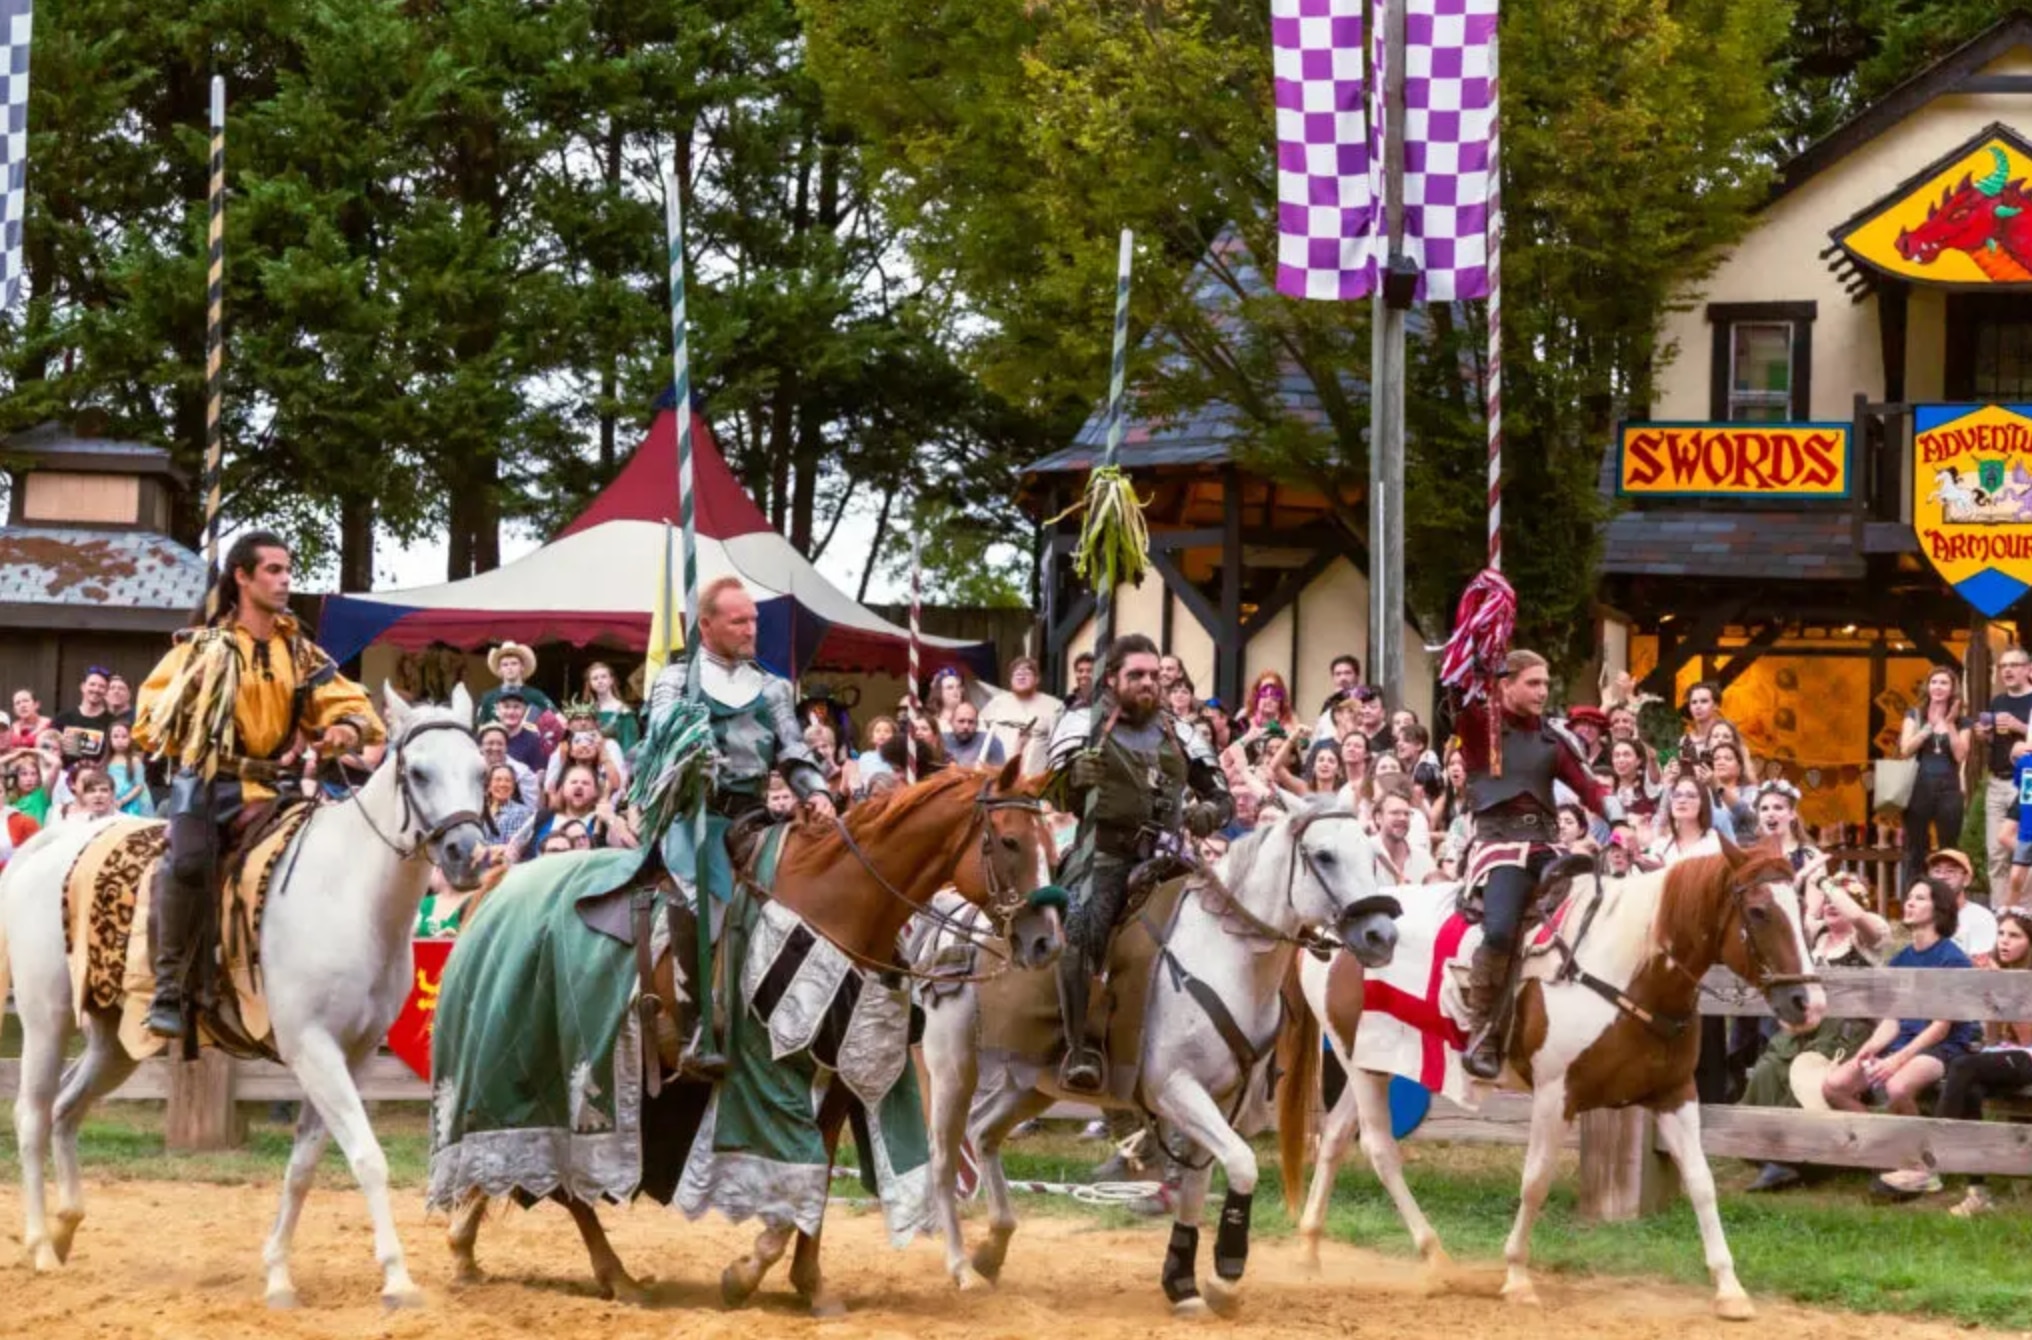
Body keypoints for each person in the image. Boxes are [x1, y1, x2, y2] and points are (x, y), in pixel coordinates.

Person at [131, 530, 384, 1037]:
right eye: (272, 569)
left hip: (278, 789)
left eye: (287, 569)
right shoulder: (200, 647)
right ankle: (171, 987)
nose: (285, 578)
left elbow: (355, 705)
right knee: (187, 863)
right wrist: (191, 695)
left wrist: (346, 728)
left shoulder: (300, 651)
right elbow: (148, 721)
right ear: (242, 577)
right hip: (208, 783)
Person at [644, 576, 834, 1064]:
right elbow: (660, 736)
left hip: (752, 816)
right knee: (699, 896)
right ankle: (695, 1027)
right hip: (694, 815)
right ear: (706, 625)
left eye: (754, 619)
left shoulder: (770, 687)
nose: (752, 628)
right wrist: (686, 744)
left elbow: (792, 750)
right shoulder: (675, 679)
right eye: (739, 620)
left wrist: (815, 792)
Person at [1047, 633, 1232, 1093]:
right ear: (1112, 678)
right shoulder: (1080, 725)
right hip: (1103, 855)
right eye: (1137, 675)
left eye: (1154, 675)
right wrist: (1074, 777)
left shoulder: (1179, 730)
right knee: (1081, 929)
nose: (1149, 682)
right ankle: (1080, 1048)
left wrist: (1211, 812)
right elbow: (1050, 789)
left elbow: (1222, 794)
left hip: (1172, 857)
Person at [1455, 648, 1608, 1079]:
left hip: (1547, 847)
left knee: (1589, 907)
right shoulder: (1479, 728)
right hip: (1499, 848)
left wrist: (1619, 821)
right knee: (1501, 930)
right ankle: (1482, 1031)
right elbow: (1458, 698)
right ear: (1507, 684)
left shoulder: (1553, 740)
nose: (1543, 691)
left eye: (1546, 683)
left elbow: (1589, 787)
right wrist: (1477, 658)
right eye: (1533, 683)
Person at [1740, 861, 1888, 1192]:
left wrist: (1827, 882)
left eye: (1843, 897)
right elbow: (1796, 915)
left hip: (1851, 1027)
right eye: (1828, 901)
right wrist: (1806, 881)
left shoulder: (1868, 936)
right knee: (1768, 1068)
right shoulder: (1817, 936)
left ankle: (1806, 1158)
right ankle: (1765, 1149)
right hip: (1811, 1021)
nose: (1832, 904)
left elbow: (1861, 920)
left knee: (1807, 1076)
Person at [1878, 907, 2032, 1212]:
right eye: (2001, 934)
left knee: (1962, 1066)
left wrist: (2002, 990)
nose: (2004, 941)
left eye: (2014, 936)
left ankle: (1929, 1163)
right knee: (1970, 1088)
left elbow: (2026, 1038)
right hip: (2007, 1054)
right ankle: (1978, 1193)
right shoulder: (1995, 970)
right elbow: (1993, 1038)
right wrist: (1988, 994)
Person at [1821, 880, 1978, 1117]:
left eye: (1920, 898)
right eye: (1909, 897)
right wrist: (1870, 1047)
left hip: (1941, 1048)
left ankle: (1918, 1151)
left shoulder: (1952, 959)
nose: (1910, 903)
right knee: (1834, 1086)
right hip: (1902, 1043)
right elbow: (1893, 1018)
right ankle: (1881, 1143)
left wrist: (1898, 1060)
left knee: (1897, 1087)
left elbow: (1941, 1028)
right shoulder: (1900, 960)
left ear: (1939, 908)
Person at [1900, 666, 1970, 891]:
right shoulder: (1915, 714)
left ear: (1952, 689)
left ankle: (1947, 902)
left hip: (1949, 788)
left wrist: (1949, 724)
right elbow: (1905, 750)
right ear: (1928, 687)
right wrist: (1929, 726)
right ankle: (1912, 902)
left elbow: (1960, 755)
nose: (1938, 687)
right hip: (1919, 787)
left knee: (1949, 849)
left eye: (1944, 683)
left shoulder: (1962, 721)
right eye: (1934, 682)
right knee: (1915, 849)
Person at [1976, 645, 2032, 893]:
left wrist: (2021, 727)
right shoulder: (1998, 701)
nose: (2007, 670)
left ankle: (2026, 916)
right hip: (1997, 782)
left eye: (2014, 665)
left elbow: (2021, 736)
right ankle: (2002, 919)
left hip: (2027, 782)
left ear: (2028, 670)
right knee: (1996, 855)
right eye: (2003, 666)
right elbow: (1996, 742)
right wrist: (1983, 735)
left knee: (2023, 850)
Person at [979, 655, 1064, 778]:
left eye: (1027, 673)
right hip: (997, 781)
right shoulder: (997, 703)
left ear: (1037, 679)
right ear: (1010, 679)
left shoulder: (1054, 706)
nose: (1021, 676)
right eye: (1016, 673)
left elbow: (1060, 748)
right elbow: (979, 736)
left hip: (1035, 782)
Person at [1923, 847, 1997, 966]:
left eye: (1950, 871)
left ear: (1966, 879)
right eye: (1937, 871)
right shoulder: (1923, 915)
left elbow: (1982, 965)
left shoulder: (1981, 917)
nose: (1942, 877)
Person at [1371, 780, 1436, 885]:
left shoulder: (1422, 858)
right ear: (1378, 818)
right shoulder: (1366, 853)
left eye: (1407, 814)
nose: (1402, 818)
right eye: (1395, 813)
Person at [1648, 777, 1722, 866]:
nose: (1681, 800)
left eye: (1691, 796)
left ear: (1703, 803)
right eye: (1677, 795)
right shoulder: (1659, 846)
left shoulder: (1715, 844)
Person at [53, 667, 116, 767]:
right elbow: (50, 749)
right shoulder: (63, 718)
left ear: (107, 691)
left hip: (98, 777)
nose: (96, 689)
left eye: (101, 686)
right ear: (83, 687)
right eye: (92, 684)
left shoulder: (113, 723)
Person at [478, 642, 555, 723]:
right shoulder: (488, 698)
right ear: (499, 670)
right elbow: (480, 728)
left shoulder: (536, 696)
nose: (509, 668)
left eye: (514, 663)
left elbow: (559, 721)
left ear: (522, 667)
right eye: (505, 665)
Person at [1753, 779, 1819, 872]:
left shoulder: (1810, 855)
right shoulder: (1753, 857)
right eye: (1764, 809)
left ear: (1792, 814)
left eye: (1778, 808)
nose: (1770, 813)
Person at [479, 762, 535, 863]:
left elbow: (510, 849)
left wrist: (481, 851)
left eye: (508, 780)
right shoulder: (478, 811)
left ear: (513, 787)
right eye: (497, 780)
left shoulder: (521, 812)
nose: (502, 784)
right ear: (489, 786)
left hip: (504, 869)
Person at [584, 660, 640, 755]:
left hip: (615, 763)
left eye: (604, 677)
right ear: (590, 683)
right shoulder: (588, 710)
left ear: (611, 680)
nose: (600, 681)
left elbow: (630, 746)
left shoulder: (624, 712)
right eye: (595, 678)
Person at [477, 722, 540, 808]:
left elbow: (533, 808)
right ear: (480, 747)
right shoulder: (471, 769)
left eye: (500, 744)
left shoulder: (522, 773)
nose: (495, 748)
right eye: (490, 743)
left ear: (506, 747)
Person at [492, 689, 550, 774]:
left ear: (524, 710)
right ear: (497, 710)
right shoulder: (486, 738)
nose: (511, 712)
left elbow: (538, 778)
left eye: (516, 707)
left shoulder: (534, 742)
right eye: (506, 706)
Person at [104, 721, 153, 817]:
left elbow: (139, 786)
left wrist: (123, 801)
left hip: (132, 802)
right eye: (115, 736)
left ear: (130, 739)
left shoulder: (134, 761)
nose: (120, 740)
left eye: (124, 737)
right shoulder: (107, 761)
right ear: (109, 739)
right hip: (112, 803)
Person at [942, 701, 1006, 770]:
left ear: (977, 724)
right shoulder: (940, 741)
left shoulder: (991, 741)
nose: (966, 726)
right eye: (961, 721)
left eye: (971, 722)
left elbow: (1000, 773)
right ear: (951, 722)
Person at [1311, 655, 1362, 738]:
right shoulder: (1329, 702)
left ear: (1357, 676)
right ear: (1333, 678)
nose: (1343, 678)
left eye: (1347, 673)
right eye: (1338, 674)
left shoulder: (1365, 701)